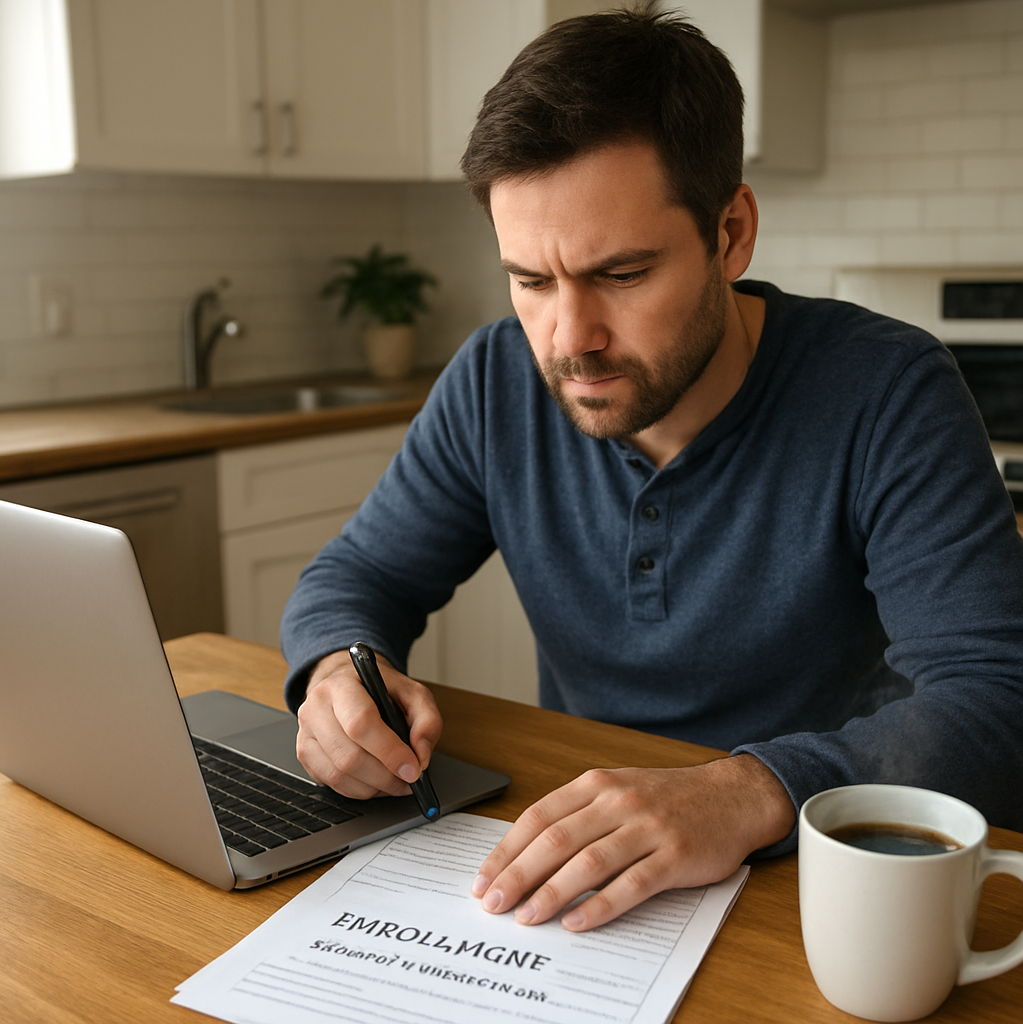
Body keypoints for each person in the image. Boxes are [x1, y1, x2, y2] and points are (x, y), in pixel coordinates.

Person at [280, 7, 1023, 933]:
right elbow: (361, 575)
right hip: (595, 878)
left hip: (828, 879)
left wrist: (748, 789)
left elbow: (996, 702)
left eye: (622, 274)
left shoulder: (887, 390)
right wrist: (337, 676)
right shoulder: (492, 380)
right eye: (532, 281)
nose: (569, 340)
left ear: (732, 232)